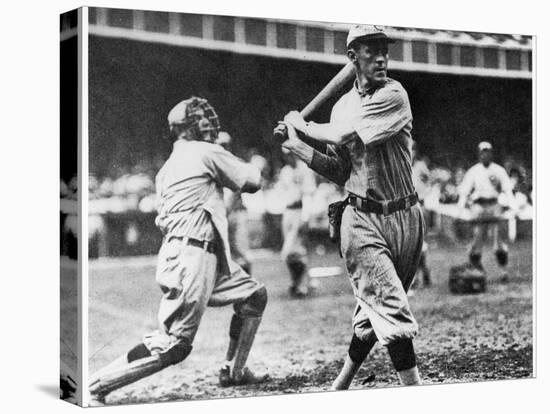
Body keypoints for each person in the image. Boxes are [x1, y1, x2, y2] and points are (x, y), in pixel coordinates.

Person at [88, 97, 268, 404]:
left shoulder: (168, 166)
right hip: (193, 257)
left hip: (195, 254)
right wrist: (258, 162)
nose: (209, 123)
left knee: (253, 296)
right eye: (202, 118)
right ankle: (94, 386)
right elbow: (252, 181)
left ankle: (233, 370)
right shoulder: (203, 150)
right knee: (174, 344)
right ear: (185, 129)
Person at [280, 24, 424, 389]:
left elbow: (342, 133)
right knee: (390, 307)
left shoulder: (394, 94)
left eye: (384, 51)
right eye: (371, 51)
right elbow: (341, 169)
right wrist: (300, 148)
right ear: (352, 57)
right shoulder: (343, 106)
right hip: (361, 219)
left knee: (372, 311)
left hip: (406, 217)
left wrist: (303, 123)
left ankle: (339, 386)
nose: (381, 58)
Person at [457, 141, 514, 282]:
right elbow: (464, 191)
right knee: (477, 240)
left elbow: (507, 189)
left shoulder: (498, 170)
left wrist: (513, 207)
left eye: (488, 151)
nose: (485, 154)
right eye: (483, 152)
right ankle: (476, 271)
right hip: (479, 206)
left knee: (498, 241)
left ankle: (503, 272)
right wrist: (460, 210)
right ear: (479, 154)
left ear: (491, 153)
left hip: (494, 205)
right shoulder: (474, 171)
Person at [278, 152, 317, 297]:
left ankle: (302, 285)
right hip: (287, 211)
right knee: (291, 253)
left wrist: (305, 216)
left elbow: (308, 194)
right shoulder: (285, 171)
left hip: (299, 211)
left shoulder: (304, 169)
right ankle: (296, 283)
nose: (288, 157)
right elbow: (282, 192)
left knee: (295, 250)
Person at [216, 131, 253, 275]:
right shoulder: (214, 162)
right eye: (220, 145)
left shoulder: (235, 162)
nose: (223, 148)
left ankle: (249, 287)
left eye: (225, 145)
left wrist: (225, 210)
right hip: (222, 212)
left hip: (236, 212)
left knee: (241, 250)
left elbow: (236, 191)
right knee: (226, 254)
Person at [411, 142, 432, 287]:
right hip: (406, 207)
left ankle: (419, 275)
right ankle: (422, 273)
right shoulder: (400, 165)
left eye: (412, 149)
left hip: (420, 204)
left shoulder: (420, 167)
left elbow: (428, 181)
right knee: (411, 244)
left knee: (420, 243)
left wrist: (424, 193)